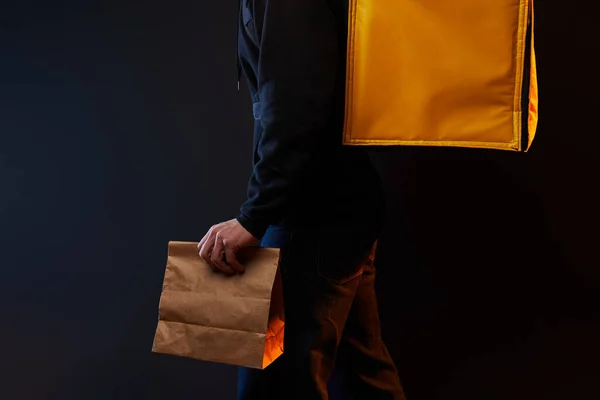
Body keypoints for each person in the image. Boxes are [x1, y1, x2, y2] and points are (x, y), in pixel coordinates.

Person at [197, 0, 405, 398]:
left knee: (276, 387)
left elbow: (294, 109)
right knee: (362, 380)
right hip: (337, 206)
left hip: (314, 215)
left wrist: (252, 217)